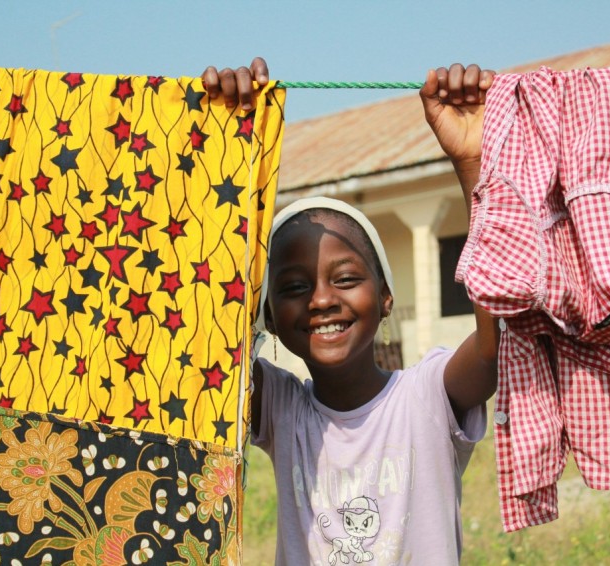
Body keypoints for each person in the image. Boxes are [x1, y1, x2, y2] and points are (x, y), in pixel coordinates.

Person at [202, 58, 499, 565]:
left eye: (345, 279)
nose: (321, 300)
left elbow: (495, 343)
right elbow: (194, 338)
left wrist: (471, 161)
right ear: (269, 317)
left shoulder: (426, 396)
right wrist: (221, 149)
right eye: (294, 286)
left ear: (385, 298)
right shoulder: (279, 409)